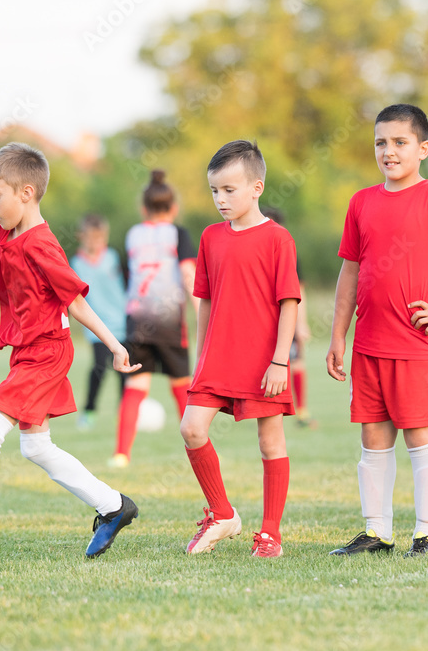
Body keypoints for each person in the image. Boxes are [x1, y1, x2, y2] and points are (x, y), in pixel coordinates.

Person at [0, 143, 140, 565]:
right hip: (26, 353)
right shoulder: (2, 236)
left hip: (48, 355)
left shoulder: (42, 245)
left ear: (26, 193)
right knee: (36, 448)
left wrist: (114, 344)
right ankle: (114, 506)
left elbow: (76, 302)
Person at [327, 104, 428, 558]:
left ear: (422, 149)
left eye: (400, 142)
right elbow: (350, 273)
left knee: (422, 437)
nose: (389, 151)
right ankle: (377, 531)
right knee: (373, 439)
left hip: (417, 346)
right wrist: (339, 334)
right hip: (369, 345)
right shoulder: (361, 202)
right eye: (381, 142)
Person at [179, 140, 301, 558]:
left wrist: (280, 360)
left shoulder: (277, 239)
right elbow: (205, 301)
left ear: (257, 187)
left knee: (270, 443)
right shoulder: (211, 238)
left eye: (230, 190)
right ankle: (222, 513)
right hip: (216, 357)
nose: (220, 199)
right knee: (191, 429)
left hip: (264, 362)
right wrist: (201, 354)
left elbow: (289, 303)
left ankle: (270, 535)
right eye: (215, 191)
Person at [111, 170, 198, 468]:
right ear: (173, 208)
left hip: (137, 321)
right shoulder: (179, 234)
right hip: (170, 321)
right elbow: (189, 275)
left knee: (135, 388)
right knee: (182, 388)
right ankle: (198, 449)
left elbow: (128, 277)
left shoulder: (133, 234)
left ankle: (121, 454)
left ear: (143, 208)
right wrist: (202, 313)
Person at [70, 214, 127, 431]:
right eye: (90, 237)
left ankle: (124, 414)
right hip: (96, 326)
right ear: (81, 237)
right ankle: (89, 411)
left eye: (99, 237)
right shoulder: (76, 263)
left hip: (121, 322)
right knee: (99, 368)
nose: (95, 241)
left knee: (124, 369)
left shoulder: (113, 257)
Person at [262, 206, 316, 428]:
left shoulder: (287, 251)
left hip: (285, 317)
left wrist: (301, 324)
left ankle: (300, 411)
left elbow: (297, 291)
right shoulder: (259, 251)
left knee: (296, 361)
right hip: (268, 320)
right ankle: (270, 409)